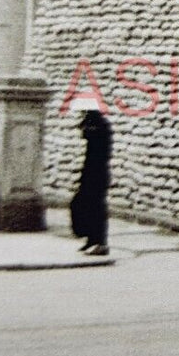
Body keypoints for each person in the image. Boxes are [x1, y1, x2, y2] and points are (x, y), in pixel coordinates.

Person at [70, 103, 112, 256]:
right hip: (90, 172)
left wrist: (85, 125)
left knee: (96, 208)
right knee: (85, 205)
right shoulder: (96, 123)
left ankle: (100, 242)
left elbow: (88, 134)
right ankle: (90, 239)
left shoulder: (100, 125)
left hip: (98, 173)